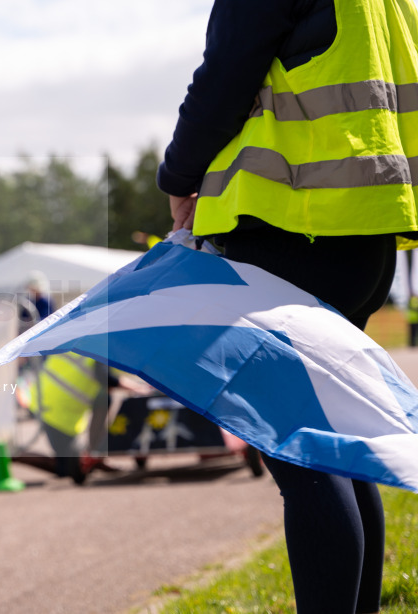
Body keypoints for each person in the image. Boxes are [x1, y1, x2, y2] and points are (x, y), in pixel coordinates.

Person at [157, 1, 418, 611]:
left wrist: (177, 175)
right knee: (335, 445)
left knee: (302, 454)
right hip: (368, 233)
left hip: (290, 228)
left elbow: (226, 71)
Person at [28, 352, 145, 484]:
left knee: (103, 398)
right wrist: (136, 387)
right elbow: (105, 377)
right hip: (53, 407)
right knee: (66, 467)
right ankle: (14, 456)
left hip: (51, 402)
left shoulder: (85, 341)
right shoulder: (98, 346)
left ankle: (94, 454)